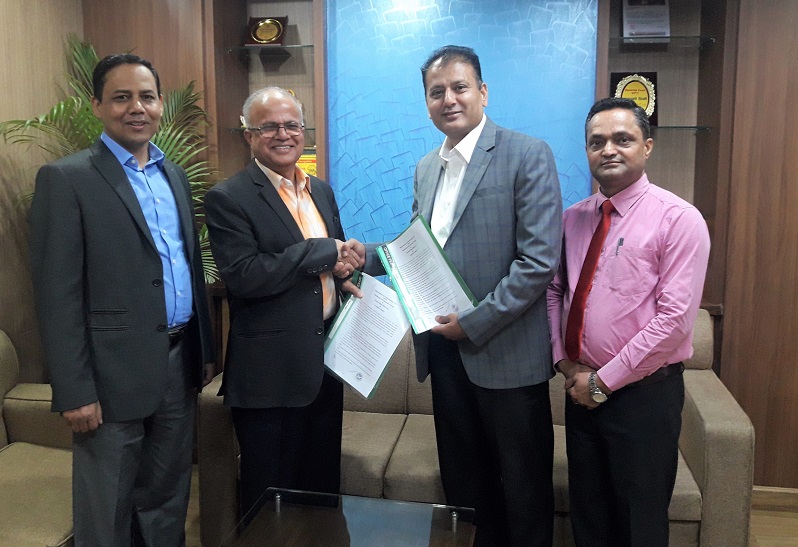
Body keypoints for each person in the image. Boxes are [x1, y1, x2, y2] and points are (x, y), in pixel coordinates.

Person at [361, 45, 562, 546]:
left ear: (482, 92)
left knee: (524, 491)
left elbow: (538, 262)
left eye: (459, 87)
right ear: (427, 103)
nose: (448, 99)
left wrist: (471, 322)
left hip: (507, 356)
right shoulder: (427, 168)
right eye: (436, 92)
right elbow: (417, 252)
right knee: (465, 491)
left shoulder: (526, 153)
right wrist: (362, 256)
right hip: (445, 354)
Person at [28, 54, 215, 546]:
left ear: (160, 104)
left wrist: (203, 351)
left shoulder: (174, 175)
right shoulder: (66, 178)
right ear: (97, 105)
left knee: (168, 497)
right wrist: (74, 389)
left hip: (177, 363)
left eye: (147, 97)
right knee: (106, 507)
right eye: (121, 97)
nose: (137, 107)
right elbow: (56, 295)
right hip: (108, 376)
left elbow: (187, 267)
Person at [547, 97, 711, 546]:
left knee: (640, 525)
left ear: (647, 146)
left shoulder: (679, 220)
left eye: (623, 139)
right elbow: (555, 292)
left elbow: (674, 322)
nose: (608, 150)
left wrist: (604, 382)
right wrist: (565, 362)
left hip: (643, 399)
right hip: (581, 392)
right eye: (596, 142)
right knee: (589, 519)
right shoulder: (573, 219)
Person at [203, 87, 363, 517]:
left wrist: (344, 272)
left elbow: (329, 261)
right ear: (248, 135)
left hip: (324, 366)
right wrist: (322, 251)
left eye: (292, 125)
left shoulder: (321, 191)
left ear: (303, 132)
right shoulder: (228, 197)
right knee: (270, 501)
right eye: (269, 126)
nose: (283, 134)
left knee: (321, 495)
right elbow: (244, 275)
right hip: (268, 376)